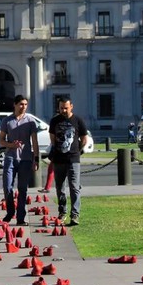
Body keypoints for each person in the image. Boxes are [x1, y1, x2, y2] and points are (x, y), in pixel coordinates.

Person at [0, 95, 40, 225]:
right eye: (21, 104)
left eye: (25, 104)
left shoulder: (30, 121)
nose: (23, 107)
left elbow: (34, 141)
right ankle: (10, 211)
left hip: (25, 158)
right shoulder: (7, 121)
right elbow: (1, 141)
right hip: (10, 158)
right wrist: (12, 145)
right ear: (15, 105)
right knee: (7, 186)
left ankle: (21, 217)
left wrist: (36, 159)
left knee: (22, 189)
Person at [49, 96, 88, 226]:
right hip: (59, 159)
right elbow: (53, 139)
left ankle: (75, 214)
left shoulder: (78, 121)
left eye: (66, 108)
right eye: (61, 108)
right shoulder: (54, 121)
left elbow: (84, 139)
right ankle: (62, 212)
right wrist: (55, 151)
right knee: (60, 188)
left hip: (73, 158)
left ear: (71, 106)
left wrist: (78, 151)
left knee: (74, 187)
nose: (64, 110)